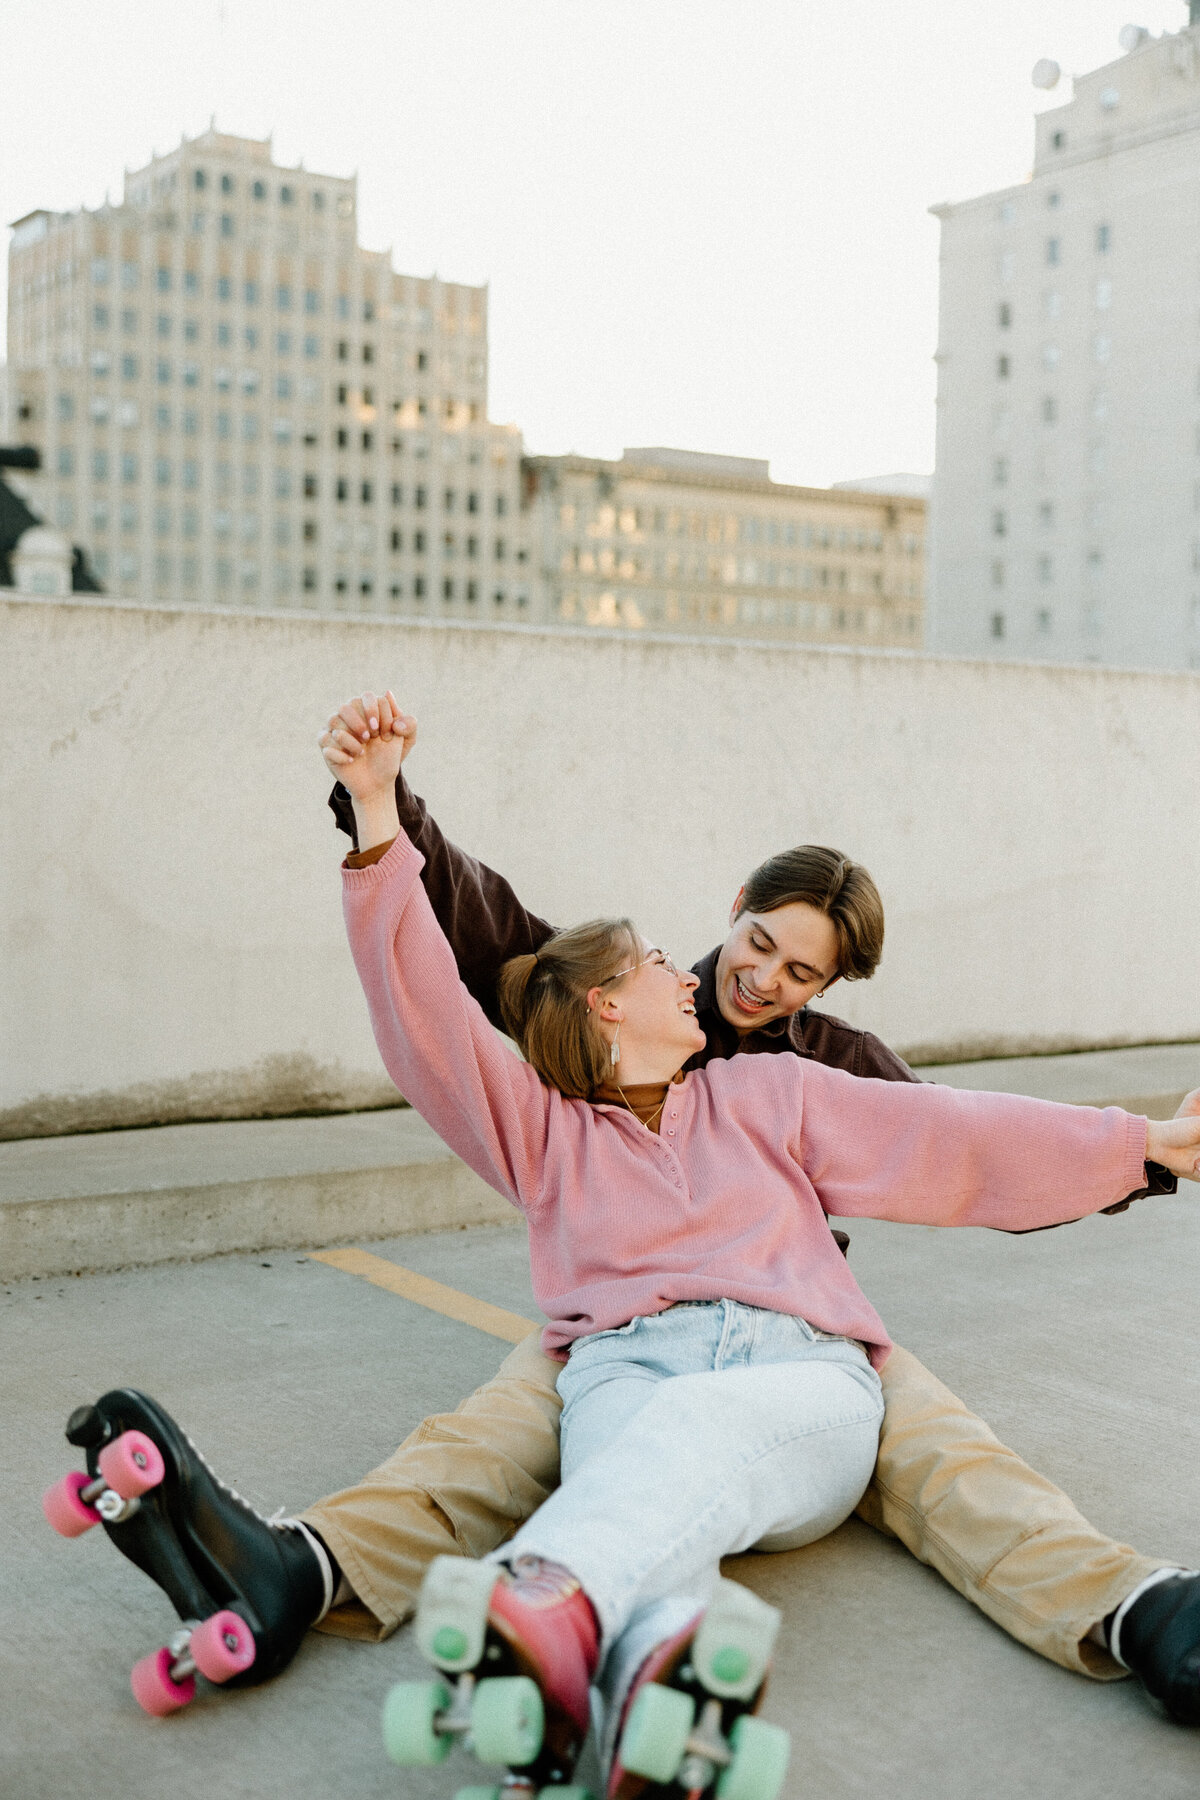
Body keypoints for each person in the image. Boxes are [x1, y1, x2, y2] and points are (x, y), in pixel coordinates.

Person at [319, 697, 1200, 1796]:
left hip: (797, 1347)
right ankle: (654, 1693)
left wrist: (1143, 1149)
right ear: (610, 999)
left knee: (930, 1459)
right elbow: (436, 999)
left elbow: (954, 1142)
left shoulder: (792, 1078)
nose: (745, 979)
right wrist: (377, 807)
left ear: (825, 991)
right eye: (754, 947)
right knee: (609, 1459)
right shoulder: (549, 1122)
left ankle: (538, 1597)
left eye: (799, 974)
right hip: (619, 1358)